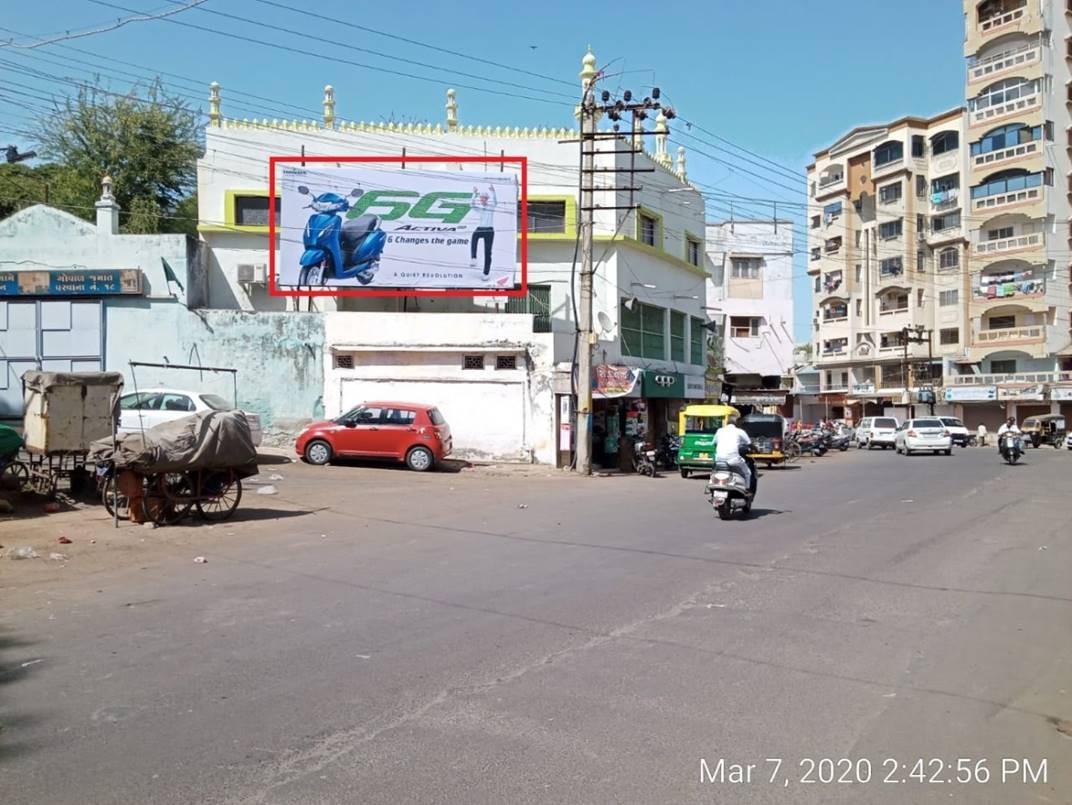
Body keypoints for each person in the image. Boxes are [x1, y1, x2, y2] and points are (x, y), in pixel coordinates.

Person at [715, 412, 753, 493]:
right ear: (736, 423)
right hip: (734, 460)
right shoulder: (740, 431)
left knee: (714, 471)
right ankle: (747, 489)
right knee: (748, 473)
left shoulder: (719, 431)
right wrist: (756, 450)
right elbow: (749, 444)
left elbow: (714, 443)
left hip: (719, 460)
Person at [469, 184, 497, 280]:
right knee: (474, 236)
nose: (482, 200)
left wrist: (493, 191)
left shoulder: (491, 207)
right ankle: (473, 258)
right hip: (481, 228)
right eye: (481, 198)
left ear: (487, 199)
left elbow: (496, 202)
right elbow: (471, 205)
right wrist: (474, 193)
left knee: (487, 252)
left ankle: (486, 273)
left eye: (484, 198)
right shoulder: (479, 208)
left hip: (489, 230)